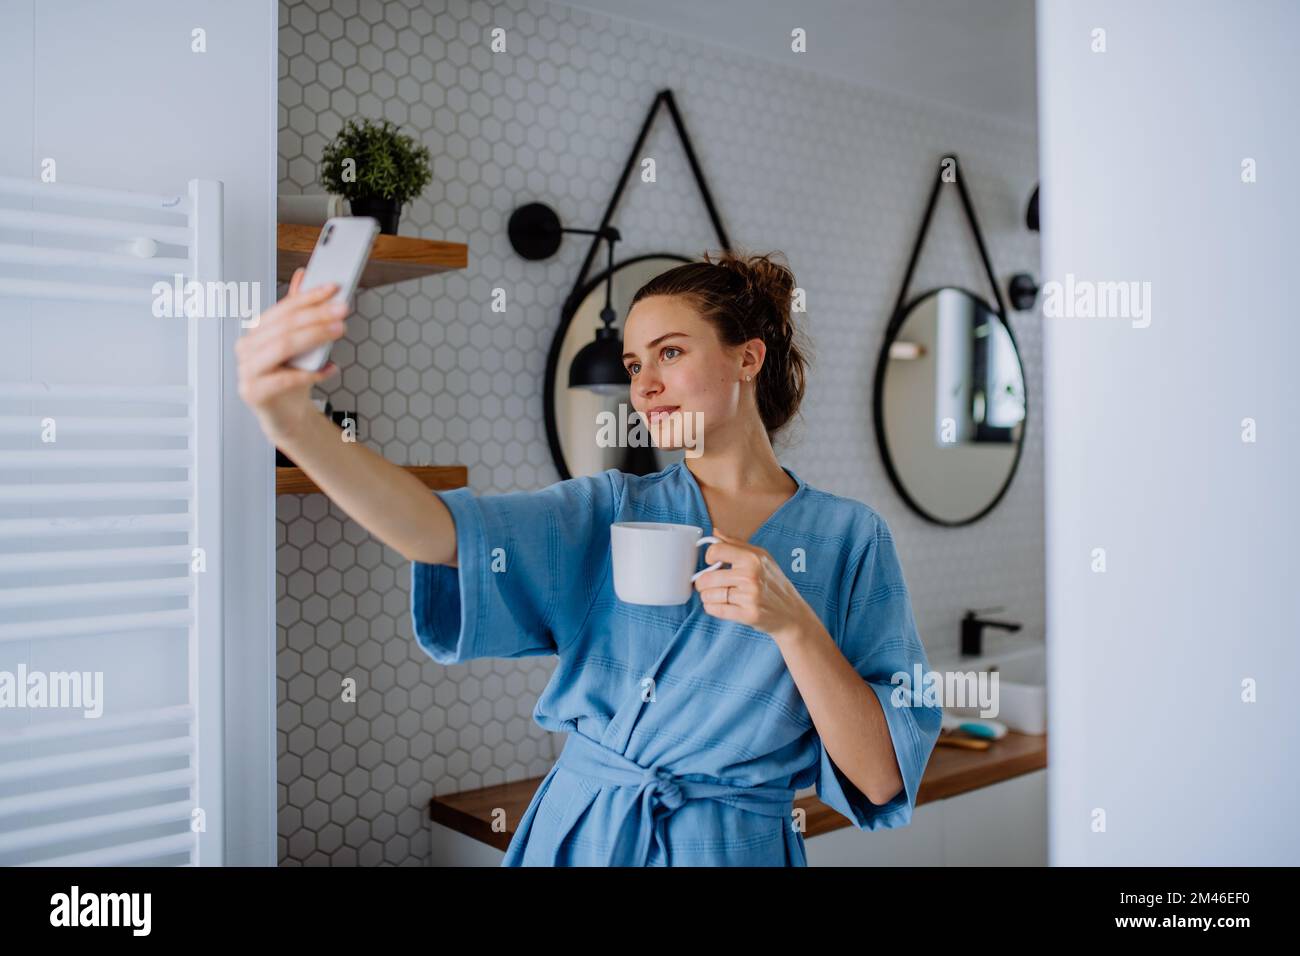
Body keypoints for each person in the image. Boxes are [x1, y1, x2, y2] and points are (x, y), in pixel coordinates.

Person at [238, 249, 941, 866]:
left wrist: (794, 626)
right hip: (584, 832)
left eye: (670, 353)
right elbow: (437, 530)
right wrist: (297, 425)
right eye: (635, 364)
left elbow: (880, 778)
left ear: (747, 358)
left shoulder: (851, 539)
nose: (644, 386)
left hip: (730, 848)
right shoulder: (612, 509)